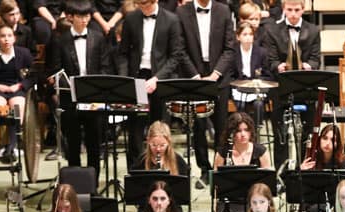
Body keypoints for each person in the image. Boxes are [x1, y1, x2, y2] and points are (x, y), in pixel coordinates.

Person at [44, 0, 111, 170]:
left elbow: (104, 67)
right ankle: (75, 186)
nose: (84, 20)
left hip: (92, 97)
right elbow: (55, 68)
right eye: (80, 16)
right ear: (70, 17)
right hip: (70, 98)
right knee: (72, 143)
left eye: (87, 15)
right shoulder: (60, 40)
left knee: (93, 144)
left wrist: (95, 87)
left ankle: (92, 186)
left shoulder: (98, 38)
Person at [120, 0, 186, 166]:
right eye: (140, 5)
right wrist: (126, 80)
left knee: (160, 128)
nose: (143, 9)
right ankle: (135, 171)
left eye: (146, 5)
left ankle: (162, 169)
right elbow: (123, 53)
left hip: (161, 78)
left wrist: (157, 78)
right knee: (135, 127)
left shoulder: (171, 19)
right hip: (137, 76)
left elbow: (176, 55)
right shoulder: (131, 19)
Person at [178, 0, 236, 179]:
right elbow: (180, 49)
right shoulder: (181, 12)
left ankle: (220, 166)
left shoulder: (224, 10)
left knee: (221, 125)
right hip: (194, 75)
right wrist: (195, 76)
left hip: (218, 75)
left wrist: (215, 74)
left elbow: (229, 48)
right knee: (198, 126)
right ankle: (204, 168)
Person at [264, 0, 321, 167]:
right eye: (290, 10)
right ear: (284, 9)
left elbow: (316, 58)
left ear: (303, 9)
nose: (294, 14)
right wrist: (278, 66)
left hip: (306, 86)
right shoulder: (272, 30)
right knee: (280, 134)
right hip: (281, 86)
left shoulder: (313, 30)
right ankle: (282, 174)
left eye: (297, 10)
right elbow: (271, 59)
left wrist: (309, 66)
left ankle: (307, 169)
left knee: (308, 134)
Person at [0, 24, 34, 164]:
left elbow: (33, 76)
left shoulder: (24, 53)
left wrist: (20, 85)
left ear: (14, 38)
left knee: (17, 107)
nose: (6, 39)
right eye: (2, 36)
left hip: (17, 88)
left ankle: (12, 146)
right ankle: (6, 144)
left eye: (9, 36)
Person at [230, 21, 272, 120]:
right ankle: (240, 128)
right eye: (245, 34)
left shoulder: (261, 52)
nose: (248, 37)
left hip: (256, 89)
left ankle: (257, 129)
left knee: (258, 104)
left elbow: (268, 74)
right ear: (238, 37)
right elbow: (230, 75)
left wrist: (259, 80)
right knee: (240, 104)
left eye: (250, 34)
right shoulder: (233, 52)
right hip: (239, 88)